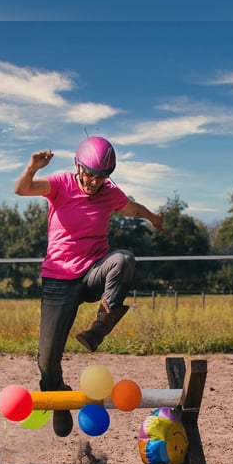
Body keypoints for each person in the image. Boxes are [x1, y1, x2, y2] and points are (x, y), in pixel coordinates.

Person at [14, 136, 163, 437]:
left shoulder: (108, 192)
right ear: (77, 166)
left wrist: (152, 217)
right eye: (90, 174)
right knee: (46, 361)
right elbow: (23, 189)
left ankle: (101, 325)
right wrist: (32, 167)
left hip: (93, 272)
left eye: (102, 176)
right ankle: (57, 396)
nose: (95, 181)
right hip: (58, 278)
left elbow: (132, 208)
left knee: (123, 259)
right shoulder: (60, 184)